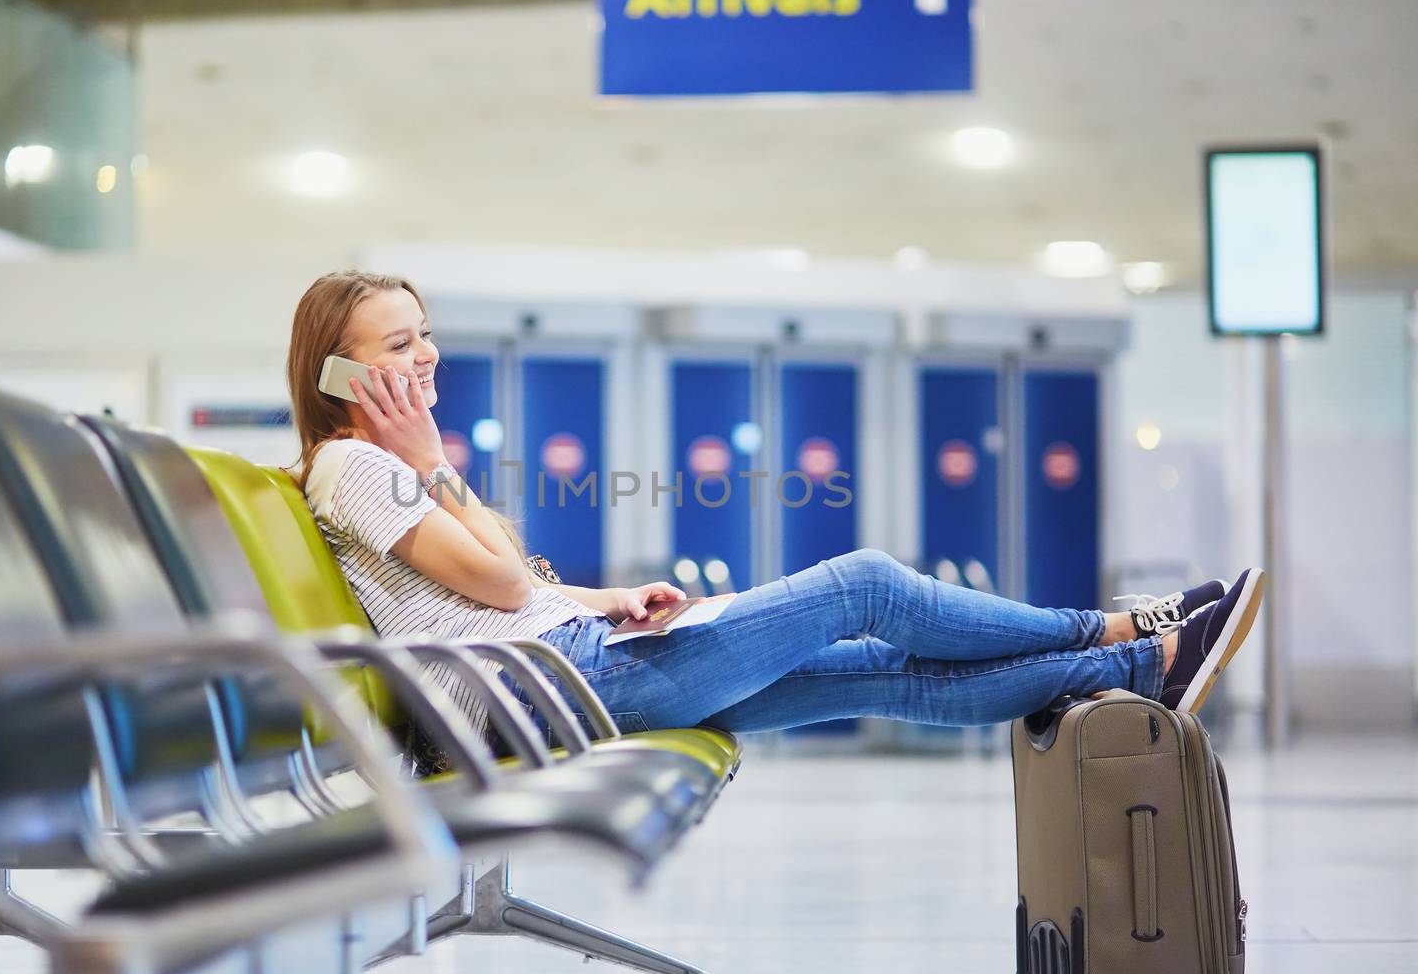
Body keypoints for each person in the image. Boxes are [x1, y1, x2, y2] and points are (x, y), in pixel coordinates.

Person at [286, 269, 1264, 747]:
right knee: (865, 584)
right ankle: (1121, 625)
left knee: (883, 672)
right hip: (554, 685)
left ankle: (1143, 666)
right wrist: (426, 453)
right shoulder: (359, 467)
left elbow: (506, 573)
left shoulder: (378, 467)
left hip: (573, 661)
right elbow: (500, 585)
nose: (424, 357)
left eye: (425, 335)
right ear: (337, 372)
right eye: (398, 345)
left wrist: (607, 595)